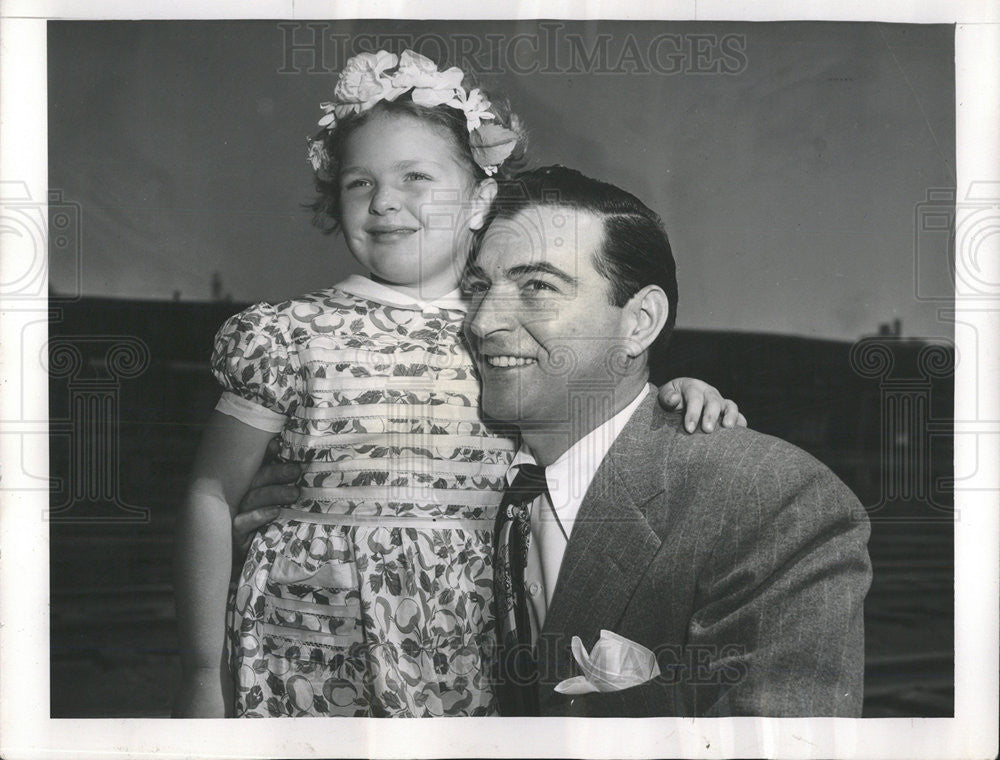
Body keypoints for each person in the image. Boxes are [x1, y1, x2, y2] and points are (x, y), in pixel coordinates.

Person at [173, 51, 744, 719]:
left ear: (479, 199)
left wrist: (676, 398)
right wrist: (200, 672)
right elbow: (212, 493)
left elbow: (599, 418)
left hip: (467, 642)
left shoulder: (509, 336)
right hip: (305, 639)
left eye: (416, 177)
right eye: (360, 183)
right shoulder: (285, 333)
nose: (385, 201)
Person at [462, 165, 872, 717]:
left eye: (537, 286)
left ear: (640, 322)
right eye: (479, 287)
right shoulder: (465, 469)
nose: (484, 321)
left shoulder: (769, 500)